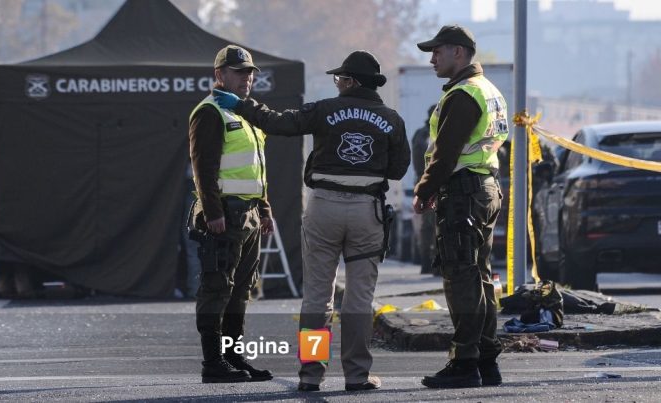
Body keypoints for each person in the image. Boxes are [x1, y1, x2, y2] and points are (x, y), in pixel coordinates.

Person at [214, 50, 410, 392]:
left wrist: (243, 106)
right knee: (360, 299)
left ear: (350, 82)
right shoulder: (391, 119)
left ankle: (311, 373)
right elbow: (398, 169)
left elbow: (278, 123)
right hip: (367, 210)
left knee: (318, 298)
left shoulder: (324, 109)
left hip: (323, 208)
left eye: (340, 79)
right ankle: (357, 374)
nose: (337, 83)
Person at [413, 25, 509, 388]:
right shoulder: (488, 89)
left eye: (437, 52)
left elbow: (447, 151)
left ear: (458, 52)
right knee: (479, 276)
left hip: (463, 192)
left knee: (460, 279)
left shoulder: (463, 94)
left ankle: (465, 362)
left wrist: (425, 189)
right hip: (485, 187)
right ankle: (486, 360)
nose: (432, 59)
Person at [188, 44, 274, 384]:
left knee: (241, 289)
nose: (247, 78)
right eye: (239, 72)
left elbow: (257, 169)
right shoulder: (210, 112)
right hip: (225, 212)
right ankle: (213, 363)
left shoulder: (243, 112)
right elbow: (203, 168)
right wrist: (212, 211)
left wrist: (264, 208)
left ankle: (233, 356)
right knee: (217, 287)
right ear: (219, 74)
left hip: (248, 213)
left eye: (249, 73)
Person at [411, 104, 438, 275]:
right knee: (436, 225)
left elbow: (415, 160)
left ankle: (426, 263)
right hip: (435, 181)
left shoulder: (420, 134)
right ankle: (434, 264)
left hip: (422, 180)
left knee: (426, 226)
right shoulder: (436, 133)